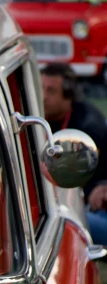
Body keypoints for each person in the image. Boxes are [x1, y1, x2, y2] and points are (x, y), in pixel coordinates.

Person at [41, 62, 107, 244]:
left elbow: (75, 183)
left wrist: (101, 187)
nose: (43, 96)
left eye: (51, 91)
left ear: (69, 95)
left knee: (65, 223)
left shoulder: (88, 126)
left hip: (87, 203)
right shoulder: (36, 118)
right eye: (41, 88)